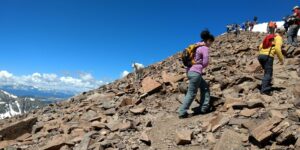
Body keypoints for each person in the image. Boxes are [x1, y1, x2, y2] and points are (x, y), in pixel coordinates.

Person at [178, 30, 215, 118]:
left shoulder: (196, 45)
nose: (211, 44)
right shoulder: (205, 47)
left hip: (190, 71)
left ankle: (203, 108)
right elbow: (206, 62)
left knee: (205, 87)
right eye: (211, 42)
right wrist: (201, 65)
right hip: (196, 72)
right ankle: (182, 112)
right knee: (192, 92)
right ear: (208, 40)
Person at [258, 27, 285, 95]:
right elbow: (277, 48)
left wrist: (262, 53)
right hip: (268, 56)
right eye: (283, 33)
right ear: (281, 32)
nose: (283, 34)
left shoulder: (269, 36)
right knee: (268, 73)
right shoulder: (278, 37)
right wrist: (281, 59)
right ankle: (265, 90)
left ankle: (265, 86)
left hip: (261, 56)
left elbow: (260, 46)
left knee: (267, 72)